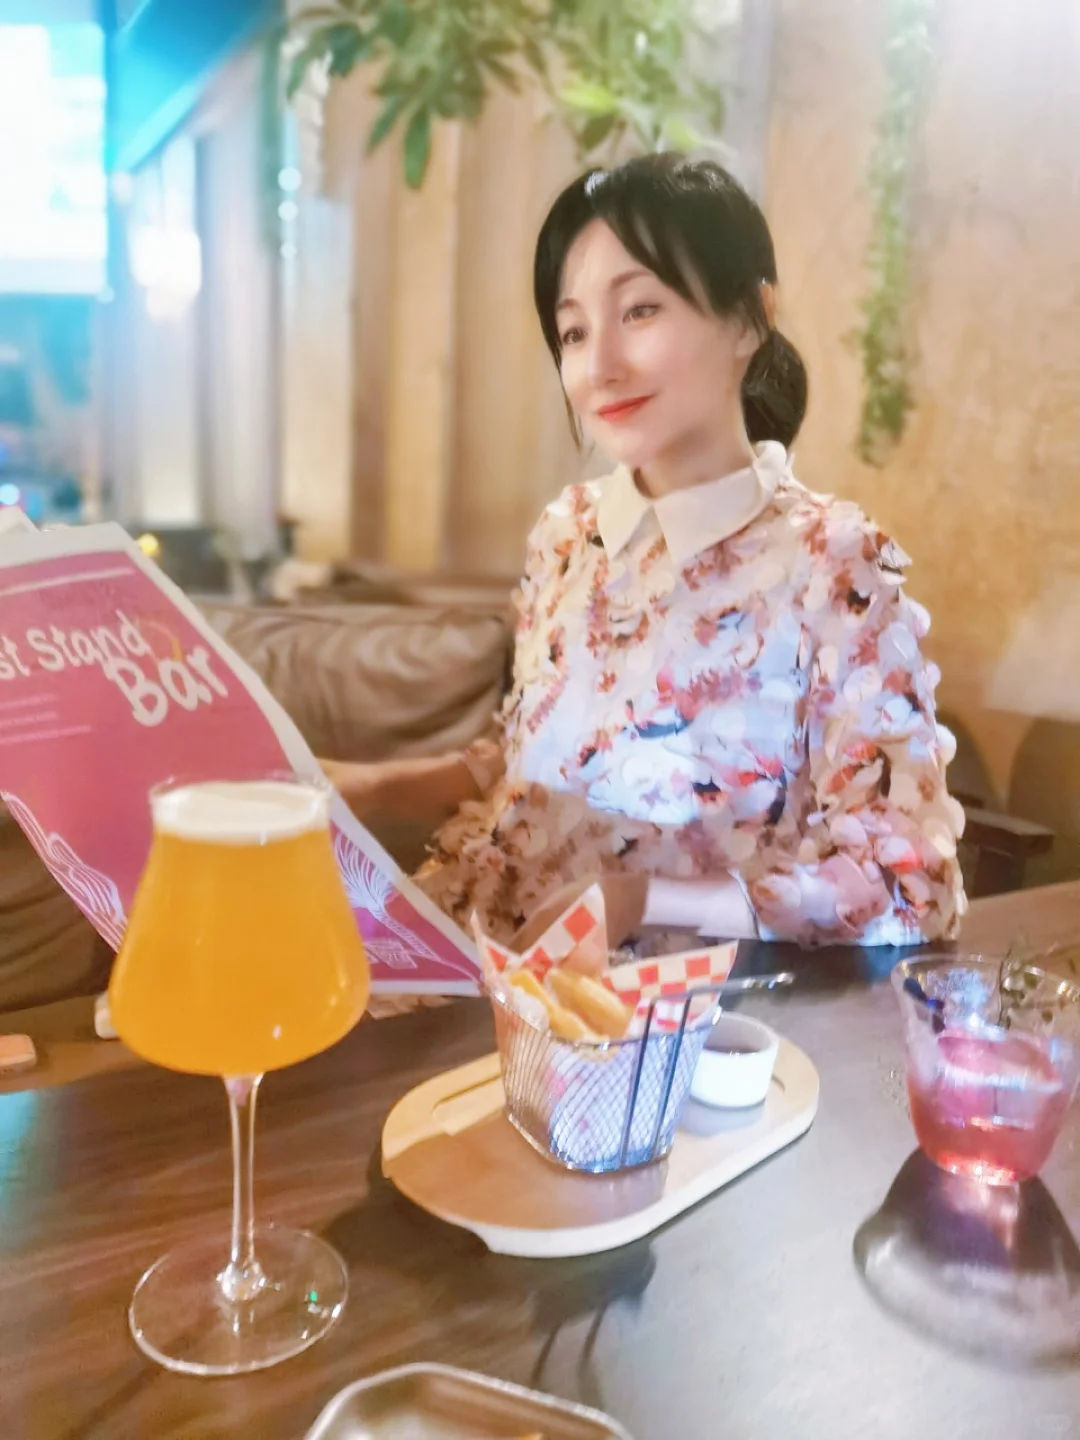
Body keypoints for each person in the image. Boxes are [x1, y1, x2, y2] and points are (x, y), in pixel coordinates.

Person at [327, 153, 966, 951]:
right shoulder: (566, 532)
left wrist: (645, 900)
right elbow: (542, 779)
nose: (600, 367)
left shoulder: (835, 562)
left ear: (750, 318)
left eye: (639, 311)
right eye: (573, 331)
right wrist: (367, 787)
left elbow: (912, 889)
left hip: (663, 1007)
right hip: (474, 961)